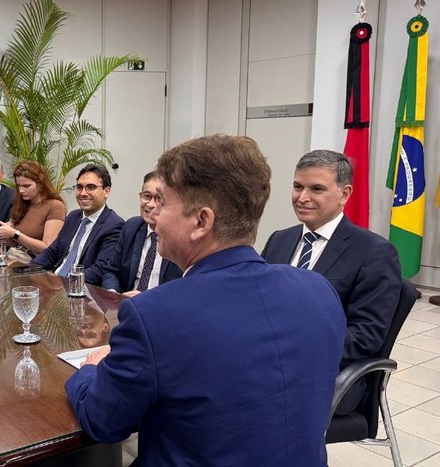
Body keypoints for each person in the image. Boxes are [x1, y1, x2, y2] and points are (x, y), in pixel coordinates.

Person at [65, 134, 346, 466]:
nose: (153, 214)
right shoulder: (319, 291)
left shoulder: (153, 316)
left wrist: (89, 370)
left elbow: (103, 421)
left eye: (163, 203)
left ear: (201, 221)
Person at [262, 149, 402, 415]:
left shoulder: (374, 253)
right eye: (297, 186)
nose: (302, 198)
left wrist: (293, 351)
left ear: (345, 194)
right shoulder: (279, 239)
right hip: (267, 360)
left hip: (329, 373)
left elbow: (366, 335)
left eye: (316, 189)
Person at [29, 164, 124, 285]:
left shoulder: (114, 225)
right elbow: (52, 252)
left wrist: (65, 284)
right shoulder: (73, 216)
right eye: (79, 187)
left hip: (80, 289)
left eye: (91, 187)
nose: (83, 193)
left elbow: (100, 270)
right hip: (55, 281)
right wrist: (28, 271)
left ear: (106, 191)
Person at [101, 171, 181, 294]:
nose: (151, 204)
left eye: (159, 198)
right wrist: (113, 294)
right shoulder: (131, 227)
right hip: (126, 304)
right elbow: (112, 271)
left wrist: (146, 299)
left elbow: (183, 288)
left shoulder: (180, 235)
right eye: (146, 196)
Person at [0, 160, 66, 258]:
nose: (21, 191)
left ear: (40, 184)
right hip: (12, 257)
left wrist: (15, 234)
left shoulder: (55, 206)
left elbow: (47, 248)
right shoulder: (21, 204)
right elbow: (11, 243)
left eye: (27, 186)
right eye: (19, 186)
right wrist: (3, 233)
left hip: (33, 263)